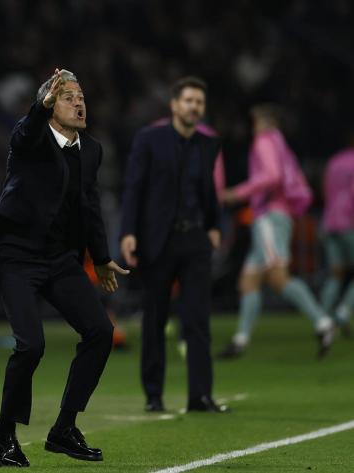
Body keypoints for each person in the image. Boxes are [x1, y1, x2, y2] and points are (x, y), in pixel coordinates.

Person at [0, 69, 129, 467]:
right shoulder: (32, 138)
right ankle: (3, 434)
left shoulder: (91, 150)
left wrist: (100, 256)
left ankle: (63, 429)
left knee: (100, 332)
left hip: (59, 259)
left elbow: (90, 205)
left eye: (81, 96)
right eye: (67, 97)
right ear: (49, 105)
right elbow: (24, 131)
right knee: (31, 346)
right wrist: (36, 107)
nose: (78, 102)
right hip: (16, 255)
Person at [120, 76, 227, 414]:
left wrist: (213, 225)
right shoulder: (149, 139)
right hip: (158, 241)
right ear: (174, 105)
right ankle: (154, 395)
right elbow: (134, 187)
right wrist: (128, 231)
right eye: (188, 100)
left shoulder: (208, 144)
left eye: (199, 102)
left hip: (194, 238)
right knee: (155, 318)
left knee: (198, 319)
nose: (194, 106)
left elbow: (207, 189)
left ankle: (200, 396)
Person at [219, 104, 334, 359]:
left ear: (263, 121)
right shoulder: (280, 144)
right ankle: (241, 340)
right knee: (248, 280)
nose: (253, 127)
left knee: (277, 276)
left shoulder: (264, 141)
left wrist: (237, 193)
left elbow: (271, 176)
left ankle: (323, 322)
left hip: (270, 216)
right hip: (274, 215)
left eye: (255, 122)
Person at [319, 133, 354, 334]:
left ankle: (322, 319)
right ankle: (343, 311)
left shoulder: (334, 162)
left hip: (329, 221)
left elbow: (325, 191)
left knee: (335, 275)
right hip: (350, 221)